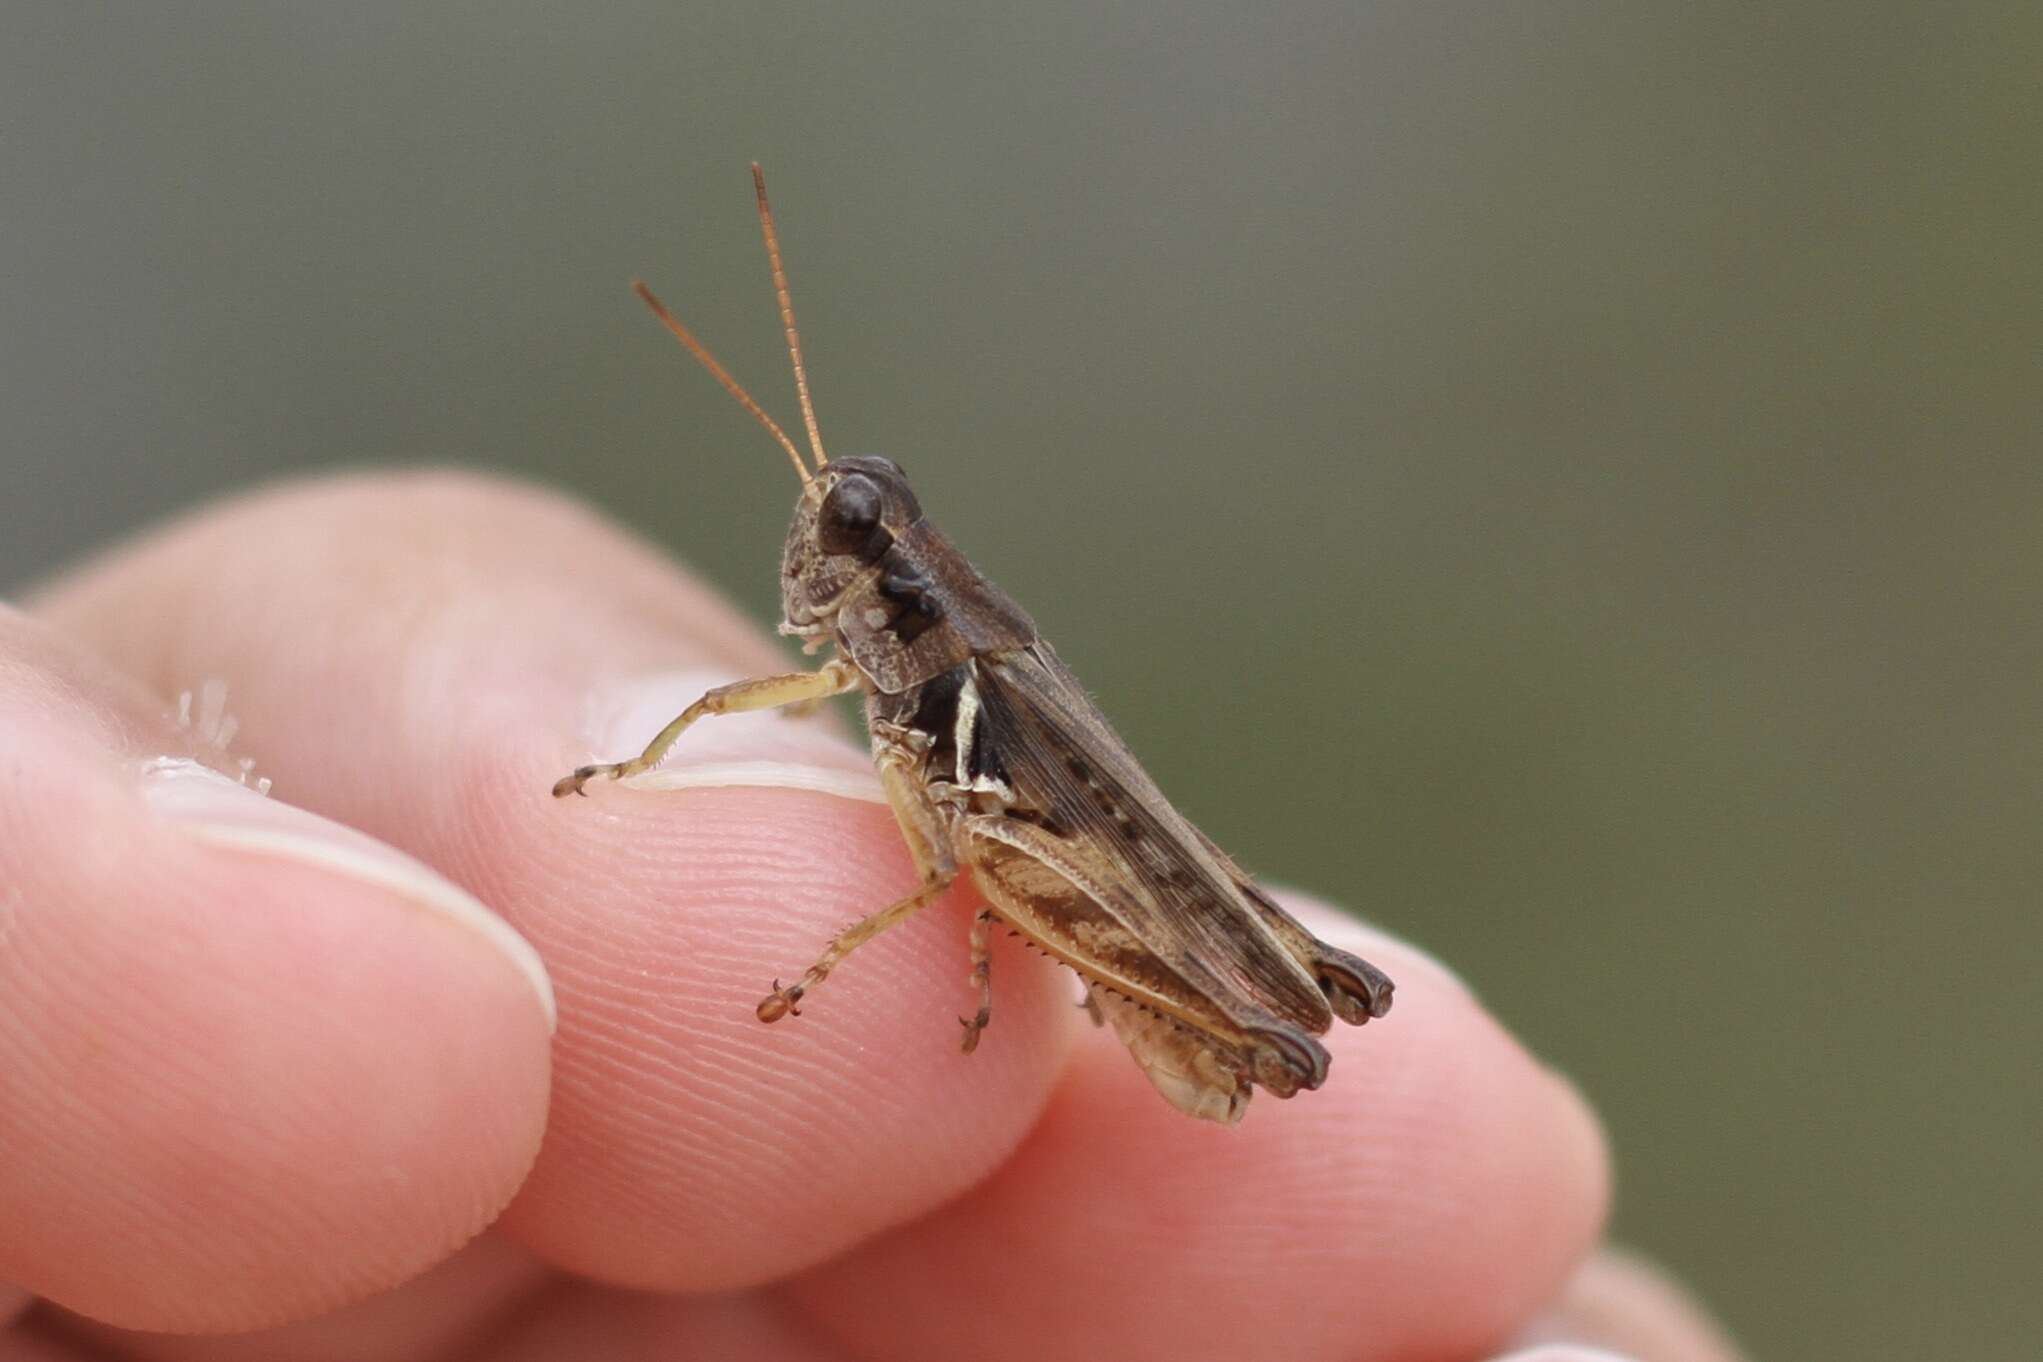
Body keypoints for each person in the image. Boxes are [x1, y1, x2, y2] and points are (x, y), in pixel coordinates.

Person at [0, 472, 1742, 1362]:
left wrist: (853, 943)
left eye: (846, 532)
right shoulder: (897, 673)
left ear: (890, 573)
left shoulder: (950, 672)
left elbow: (957, 854)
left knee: (977, 863)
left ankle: (1271, 996)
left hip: (1094, 880)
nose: (818, 551)